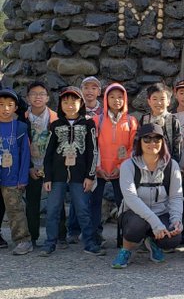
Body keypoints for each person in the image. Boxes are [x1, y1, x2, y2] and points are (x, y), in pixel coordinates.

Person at [40, 86, 104, 257]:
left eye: (74, 101)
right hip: (56, 175)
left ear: (81, 103)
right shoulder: (55, 125)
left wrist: (90, 176)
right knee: (53, 209)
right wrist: (47, 176)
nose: (69, 105)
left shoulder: (88, 124)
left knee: (83, 209)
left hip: (80, 175)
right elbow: (49, 153)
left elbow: (93, 151)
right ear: (60, 104)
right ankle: (50, 243)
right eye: (65, 101)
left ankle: (89, 242)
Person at [111, 124, 183, 268]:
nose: (152, 143)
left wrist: (176, 219)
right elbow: (131, 198)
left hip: (161, 211)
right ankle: (126, 249)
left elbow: (176, 196)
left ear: (163, 142)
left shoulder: (172, 165)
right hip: (134, 214)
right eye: (147, 139)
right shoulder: (128, 165)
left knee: (173, 239)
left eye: (157, 139)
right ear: (139, 142)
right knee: (136, 226)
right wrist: (155, 223)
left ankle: (153, 242)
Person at [92, 83, 138, 246]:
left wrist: (122, 167)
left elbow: (133, 147)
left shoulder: (131, 122)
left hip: (121, 170)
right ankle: (95, 237)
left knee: (123, 204)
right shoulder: (97, 120)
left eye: (120, 97)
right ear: (106, 99)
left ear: (125, 99)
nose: (116, 100)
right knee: (95, 204)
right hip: (100, 170)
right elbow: (93, 146)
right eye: (112, 97)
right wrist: (98, 168)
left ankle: (122, 238)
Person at [24, 81, 62, 249]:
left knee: (56, 202)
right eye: (33, 93)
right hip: (31, 165)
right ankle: (32, 236)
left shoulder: (55, 119)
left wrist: (51, 168)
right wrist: (29, 167)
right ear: (27, 98)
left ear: (47, 97)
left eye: (41, 94)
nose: (37, 97)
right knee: (32, 202)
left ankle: (60, 235)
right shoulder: (22, 118)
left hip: (51, 167)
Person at [0, 88, 33, 255]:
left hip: (12, 178)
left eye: (9, 105)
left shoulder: (20, 127)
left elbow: (25, 154)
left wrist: (22, 178)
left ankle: (23, 240)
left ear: (15, 108)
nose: (5, 108)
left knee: (15, 210)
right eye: (1, 105)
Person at [140, 83, 182, 163]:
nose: (158, 103)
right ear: (149, 101)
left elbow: (178, 146)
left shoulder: (173, 120)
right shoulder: (144, 119)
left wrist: (172, 165)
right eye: (155, 99)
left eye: (162, 99)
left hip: (168, 163)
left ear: (168, 102)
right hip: (146, 164)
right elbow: (138, 142)